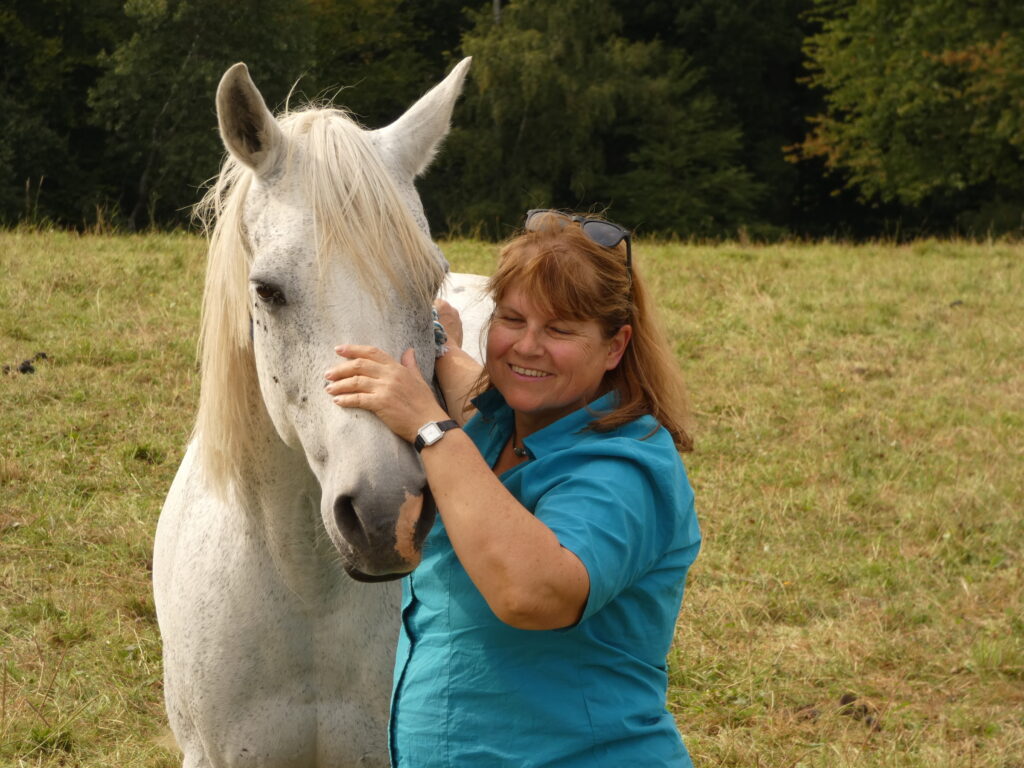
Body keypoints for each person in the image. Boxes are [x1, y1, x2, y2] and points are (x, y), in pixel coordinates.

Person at [323, 209, 701, 767]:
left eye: (560, 330)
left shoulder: (626, 465)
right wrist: (436, 344)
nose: (527, 347)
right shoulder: (502, 423)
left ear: (615, 347)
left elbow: (533, 594)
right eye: (512, 319)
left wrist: (429, 428)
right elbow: (470, 384)